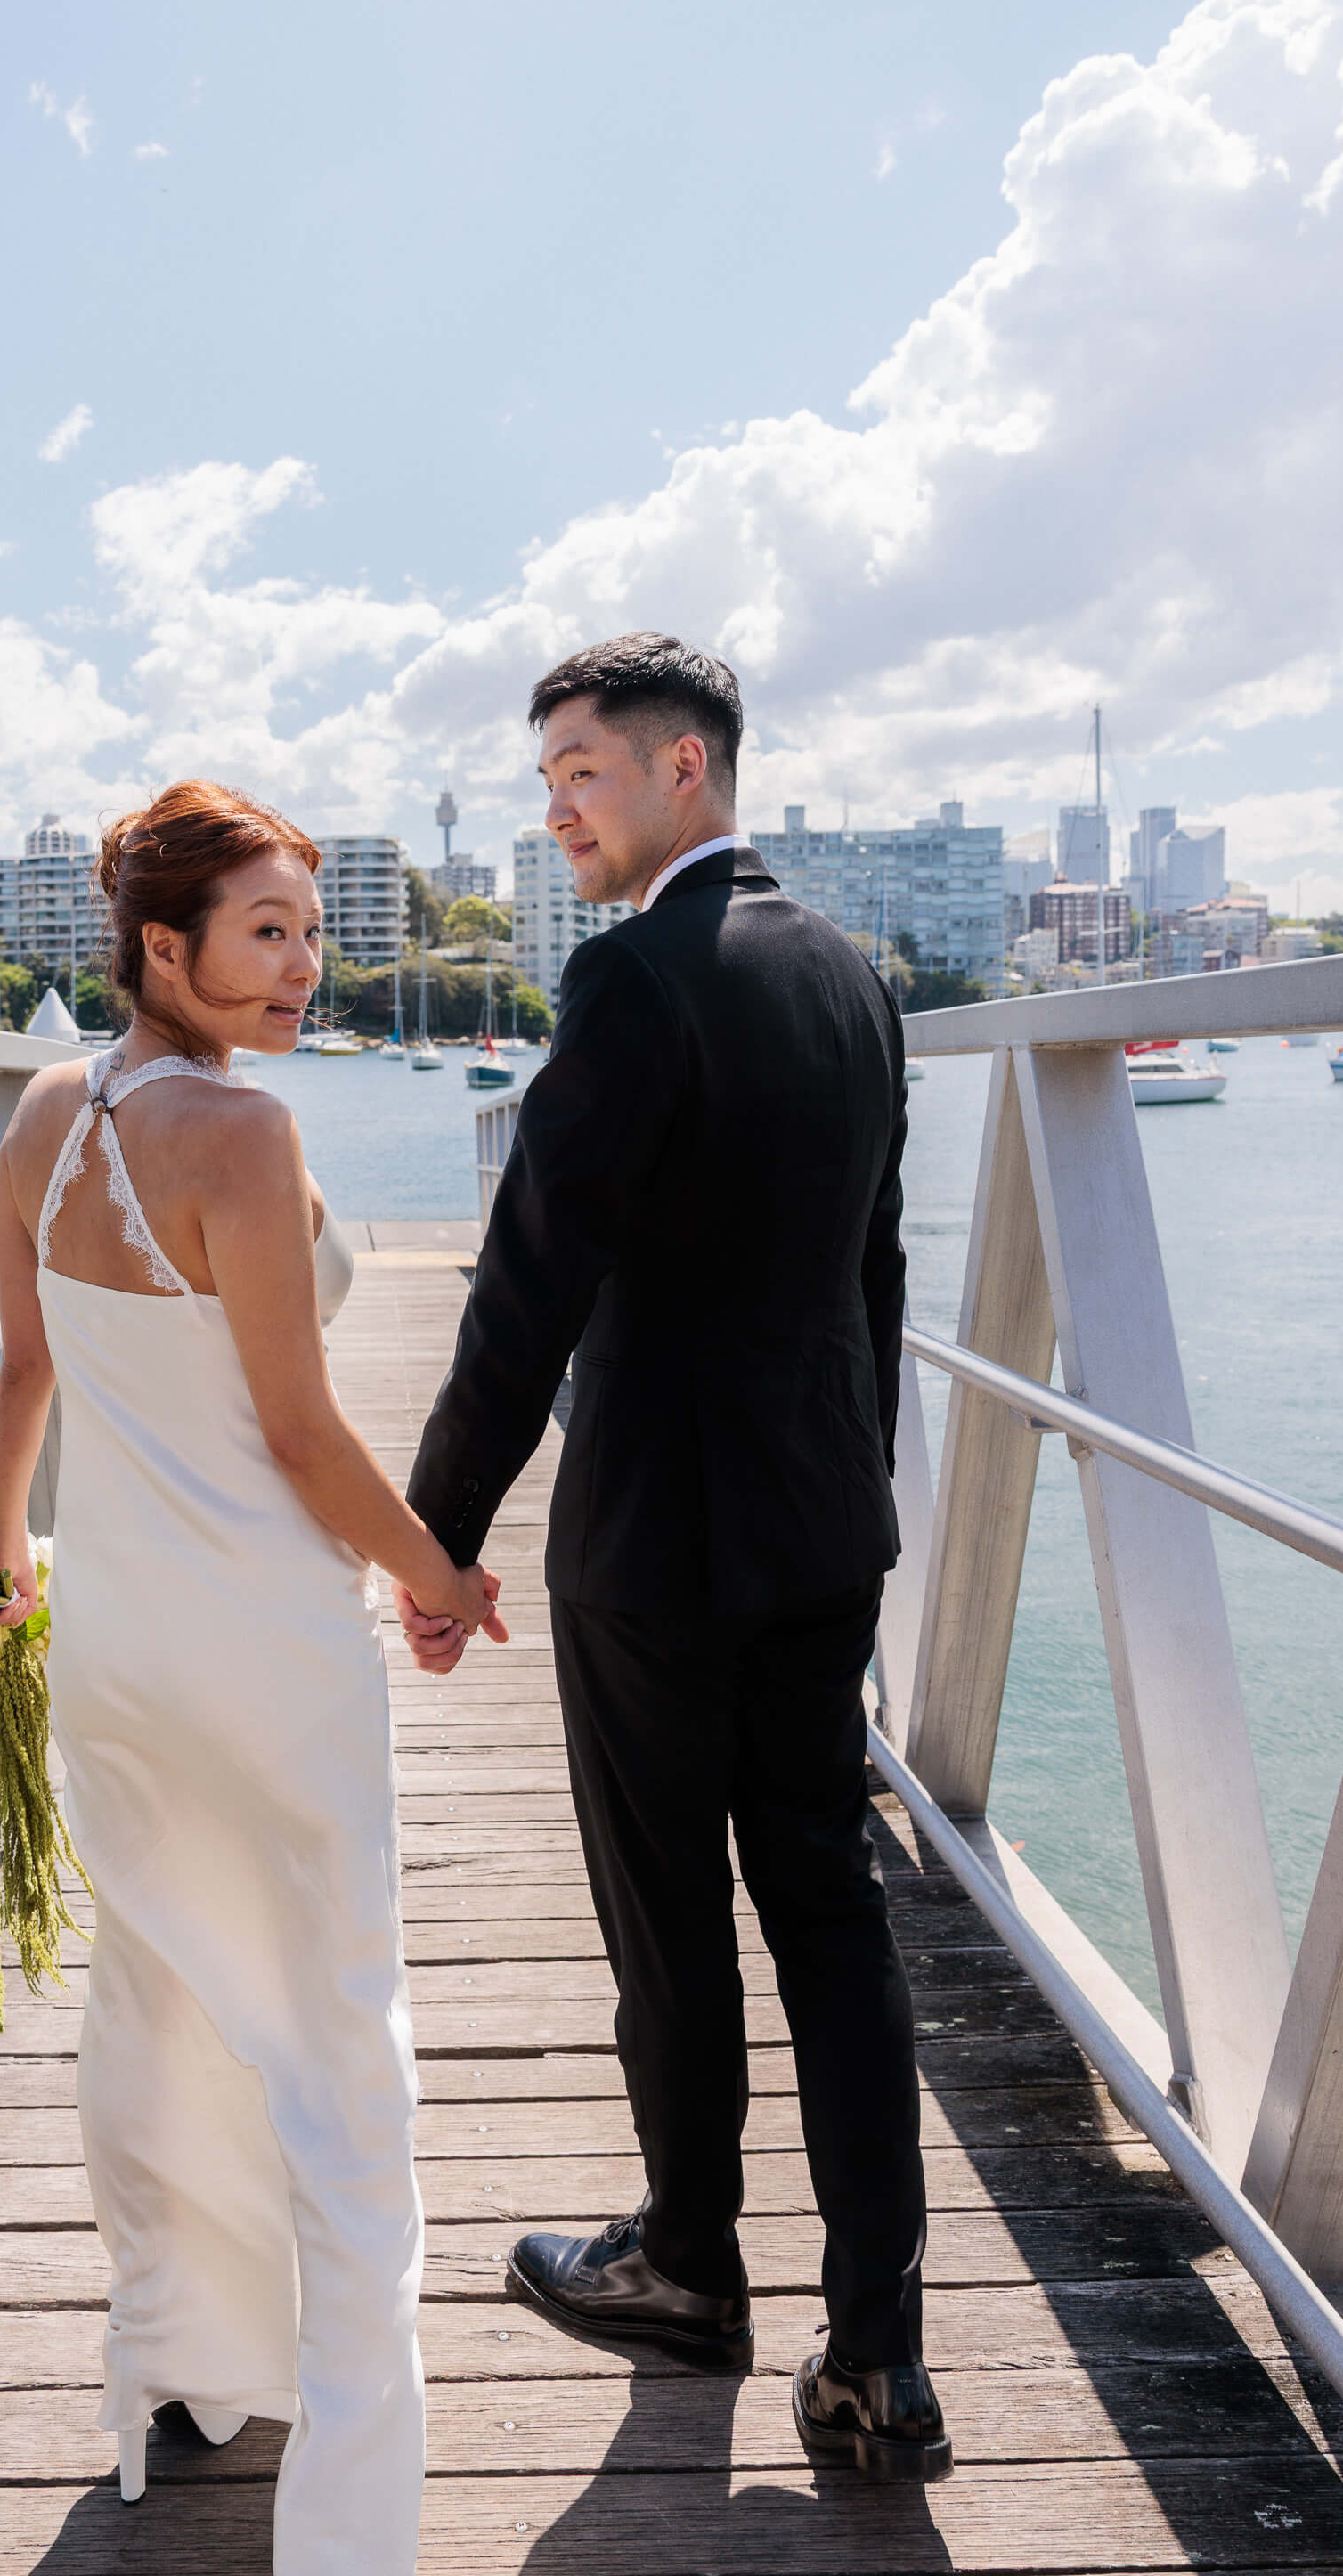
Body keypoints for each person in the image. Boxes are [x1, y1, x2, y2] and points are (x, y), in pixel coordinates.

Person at [398, 634, 949, 2480]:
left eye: (579, 772)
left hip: (653, 1545)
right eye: (548, 775)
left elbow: (526, 1286)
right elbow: (872, 1278)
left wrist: (435, 1533)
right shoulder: (853, 981)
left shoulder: (633, 980)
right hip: (817, 1526)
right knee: (831, 1913)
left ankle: (687, 2267)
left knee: (665, 1920)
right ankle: (877, 2352)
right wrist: (847, 1484)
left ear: (683, 774)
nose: (554, 807)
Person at [0, 779, 506, 2569]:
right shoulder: (245, 1143)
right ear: (161, 948)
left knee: (167, 1991)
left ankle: (185, 2366)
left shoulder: (49, 1113)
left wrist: (0, 1561)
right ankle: (347, 2512)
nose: (302, 965)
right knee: (338, 2044)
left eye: (308, 930)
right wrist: (440, 1573)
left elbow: (26, 1370)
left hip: (121, 1637)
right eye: (266, 931)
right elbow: (296, 1432)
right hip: (268, 1650)